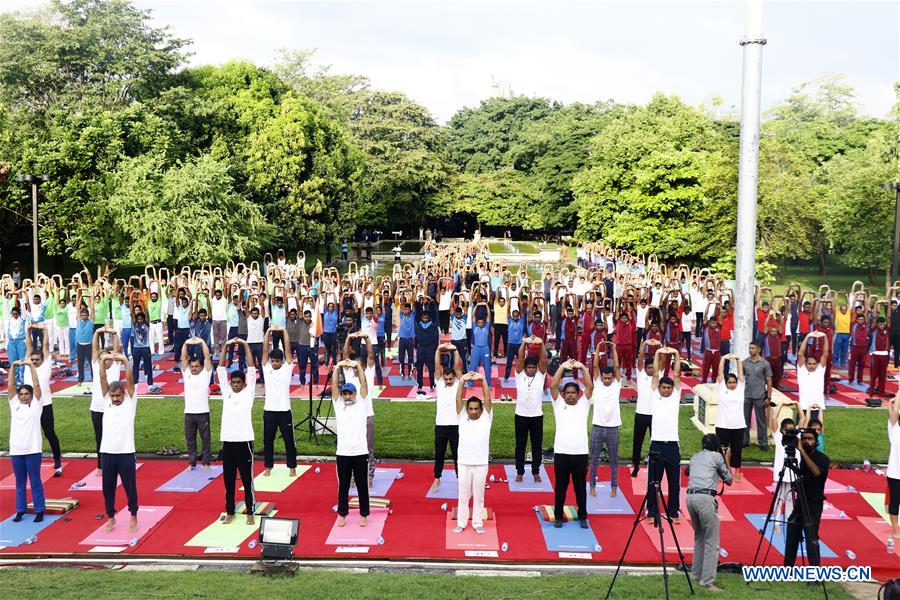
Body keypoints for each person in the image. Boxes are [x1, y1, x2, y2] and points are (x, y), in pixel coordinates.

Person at [684, 433, 733, 592]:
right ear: (717, 447)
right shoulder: (717, 457)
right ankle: (707, 582)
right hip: (705, 499)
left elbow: (687, 472)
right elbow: (729, 479)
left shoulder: (695, 456)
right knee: (712, 542)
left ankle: (696, 574)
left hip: (690, 498)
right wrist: (725, 458)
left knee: (699, 538)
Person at [549, 358, 593, 528]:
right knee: (560, 487)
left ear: (577, 394)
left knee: (580, 487)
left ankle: (582, 516)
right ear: (564, 394)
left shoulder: (584, 404)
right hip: (562, 453)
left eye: (573, 393)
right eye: (567, 393)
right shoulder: (558, 404)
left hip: (580, 453)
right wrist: (562, 367)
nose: (570, 395)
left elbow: (590, 387)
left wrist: (582, 368)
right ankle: (558, 516)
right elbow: (553, 386)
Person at [218, 337, 257, 525]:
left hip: (245, 441)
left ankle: (250, 512)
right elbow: (220, 369)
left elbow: (251, 368)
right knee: (228, 480)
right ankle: (230, 511)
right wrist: (226, 346)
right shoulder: (226, 392)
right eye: (232, 382)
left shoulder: (249, 393)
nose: (235, 384)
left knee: (247, 480)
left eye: (238, 382)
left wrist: (245, 345)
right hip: (228, 441)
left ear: (243, 383)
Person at [98, 353, 138, 533]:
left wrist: (124, 361)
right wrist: (103, 360)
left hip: (126, 452)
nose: (114, 398)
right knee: (107, 488)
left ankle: (133, 515)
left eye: (117, 396)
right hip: (107, 452)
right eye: (112, 395)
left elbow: (130, 380)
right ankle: (111, 517)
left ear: (124, 394)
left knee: (130, 487)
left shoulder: (130, 402)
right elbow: (102, 378)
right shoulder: (107, 401)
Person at [331, 360, 370, 527]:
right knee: (343, 486)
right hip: (343, 453)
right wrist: (337, 367)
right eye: (345, 394)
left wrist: (358, 366)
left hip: (360, 452)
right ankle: (342, 513)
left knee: (362, 486)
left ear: (355, 394)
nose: (347, 396)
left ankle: (364, 514)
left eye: (350, 394)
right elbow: (334, 386)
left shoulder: (362, 403)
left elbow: (364, 383)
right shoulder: (338, 405)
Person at [783, 429, 829, 568]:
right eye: (803, 439)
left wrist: (802, 451)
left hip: (813, 504)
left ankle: (815, 571)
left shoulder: (822, 458)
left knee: (811, 538)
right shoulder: (804, 457)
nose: (806, 441)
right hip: (800, 502)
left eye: (810, 439)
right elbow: (804, 473)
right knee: (792, 533)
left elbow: (816, 472)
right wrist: (792, 467)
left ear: (816, 442)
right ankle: (787, 568)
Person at [647, 346, 682, 522]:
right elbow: (655, 374)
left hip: (673, 445)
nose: (667, 390)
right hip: (656, 444)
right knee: (654, 481)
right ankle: (651, 511)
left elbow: (677, 374)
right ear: (659, 387)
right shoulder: (655, 395)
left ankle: (674, 512)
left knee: (674, 482)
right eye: (664, 387)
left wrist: (676, 353)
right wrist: (658, 353)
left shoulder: (676, 396)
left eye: (669, 388)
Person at [454, 371, 492, 534]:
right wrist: (462, 381)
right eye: (471, 408)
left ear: (481, 409)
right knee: (463, 495)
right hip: (463, 463)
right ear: (467, 409)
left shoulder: (487, 418)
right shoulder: (462, 417)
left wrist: (482, 379)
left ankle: (477, 522)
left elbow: (487, 398)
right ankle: (461, 522)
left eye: (477, 408)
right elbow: (458, 399)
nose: (474, 411)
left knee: (479, 495)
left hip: (481, 463)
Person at [8, 357, 45, 523]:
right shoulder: (14, 404)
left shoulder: (36, 405)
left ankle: (39, 510)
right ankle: (20, 510)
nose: (23, 396)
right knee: (20, 482)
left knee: (35, 481)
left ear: (31, 395)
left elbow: (36, 385)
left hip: (33, 450)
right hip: (16, 450)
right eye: (21, 394)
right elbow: (11, 385)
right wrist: (13, 366)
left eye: (26, 394)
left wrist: (30, 366)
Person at [24, 323, 62, 476]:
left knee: (49, 433)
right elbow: (29, 344)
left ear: (42, 359)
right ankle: (29, 460)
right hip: (29, 405)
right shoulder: (28, 365)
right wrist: (27, 329)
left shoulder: (46, 364)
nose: (34, 361)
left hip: (45, 404)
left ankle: (57, 459)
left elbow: (45, 345)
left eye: (36, 359)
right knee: (30, 433)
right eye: (32, 359)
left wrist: (45, 329)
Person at [261, 325, 298, 478]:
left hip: (284, 411)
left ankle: (292, 467)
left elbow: (288, 349)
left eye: (277, 361)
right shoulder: (267, 368)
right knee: (267, 441)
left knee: (289, 441)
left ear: (282, 361)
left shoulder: (287, 369)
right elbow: (265, 350)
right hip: (269, 411)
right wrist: (268, 331)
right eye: (273, 361)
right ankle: (268, 466)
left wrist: (283, 331)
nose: (275, 363)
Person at [513, 336, 547, 483]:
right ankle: (520, 472)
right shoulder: (519, 374)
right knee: (520, 445)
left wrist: (541, 343)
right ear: (525, 368)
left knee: (536, 445)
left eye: (533, 368)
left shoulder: (540, 375)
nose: (531, 370)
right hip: (521, 415)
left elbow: (543, 359)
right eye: (529, 368)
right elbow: (520, 358)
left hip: (537, 416)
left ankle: (536, 471)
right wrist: (524, 342)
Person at [590, 343, 621, 497]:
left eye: (609, 378)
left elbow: (617, 366)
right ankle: (592, 486)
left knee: (614, 460)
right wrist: (597, 349)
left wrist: (613, 349)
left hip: (613, 427)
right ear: (601, 377)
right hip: (598, 426)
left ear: (613, 377)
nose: (607, 380)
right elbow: (595, 366)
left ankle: (614, 487)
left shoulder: (616, 384)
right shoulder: (597, 384)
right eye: (605, 378)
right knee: (594, 459)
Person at [431, 343, 462, 492]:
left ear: (454, 377)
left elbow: (457, 366)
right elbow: (437, 365)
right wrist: (438, 349)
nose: (448, 381)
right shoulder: (439, 382)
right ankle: (437, 479)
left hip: (456, 425)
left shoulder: (458, 382)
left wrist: (455, 349)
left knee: (458, 455)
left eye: (450, 379)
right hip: (441, 425)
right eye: (446, 379)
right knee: (439, 454)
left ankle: (460, 480)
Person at [89, 326, 121, 474]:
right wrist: (97, 332)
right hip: (97, 408)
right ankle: (101, 465)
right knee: (100, 437)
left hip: (113, 407)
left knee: (115, 435)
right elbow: (95, 348)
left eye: (106, 357)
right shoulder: (96, 365)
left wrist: (113, 333)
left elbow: (116, 348)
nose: (103, 359)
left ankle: (119, 462)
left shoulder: (115, 365)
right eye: (101, 357)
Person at [181, 338, 213, 471]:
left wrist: (202, 342)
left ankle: (206, 463)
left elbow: (207, 357)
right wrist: (186, 343)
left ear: (201, 366)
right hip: (189, 413)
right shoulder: (186, 373)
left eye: (196, 366)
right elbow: (184, 358)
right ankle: (191, 463)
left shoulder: (206, 374)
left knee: (205, 440)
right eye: (192, 366)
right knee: (190, 440)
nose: (194, 368)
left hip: (202, 412)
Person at [715, 354, 746, 481]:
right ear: (725, 383)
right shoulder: (721, 388)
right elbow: (720, 373)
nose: (732, 384)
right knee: (721, 450)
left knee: (737, 450)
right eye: (730, 382)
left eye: (734, 382)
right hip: (723, 425)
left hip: (738, 425)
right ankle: (722, 472)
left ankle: (737, 472)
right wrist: (723, 359)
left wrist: (738, 359)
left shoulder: (740, 389)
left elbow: (741, 373)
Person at [631, 340, 657, 477]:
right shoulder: (641, 375)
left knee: (655, 442)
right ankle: (635, 466)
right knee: (637, 442)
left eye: (653, 368)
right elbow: (640, 358)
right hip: (640, 414)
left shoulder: (658, 375)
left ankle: (655, 466)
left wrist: (659, 346)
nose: (651, 370)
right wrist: (645, 343)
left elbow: (662, 359)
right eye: (649, 368)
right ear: (645, 368)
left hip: (654, 415)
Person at [742, 341, 772, 451]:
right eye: (749, 348)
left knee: (761, 421)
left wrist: (769, 397)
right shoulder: (744, 363)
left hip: (760, 396)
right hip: (746, 395)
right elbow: (741, 379)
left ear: (758, 350)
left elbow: (769, 381)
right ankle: (744, 441)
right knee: (745, 420)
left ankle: (763, 443)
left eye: (753, 348)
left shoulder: (765, 364)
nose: (750, 350)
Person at [797, 331, 829, 422]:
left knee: (817, 430)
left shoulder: (820, 370)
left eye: (814, 364)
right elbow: (800, 354)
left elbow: (825, 354)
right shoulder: (802, 370)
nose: (812, 366)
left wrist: (824, 337)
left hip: (817, 407)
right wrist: (808, 337)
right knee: (800, 430)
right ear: (806, 364)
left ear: (817, 364)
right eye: (809, 363)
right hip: (803, 407)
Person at [888, 392, 900, 538]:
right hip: (895, 472)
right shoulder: (894, 427)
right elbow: (894, 412)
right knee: (895, 501)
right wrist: (894, 401)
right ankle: (895, 529)